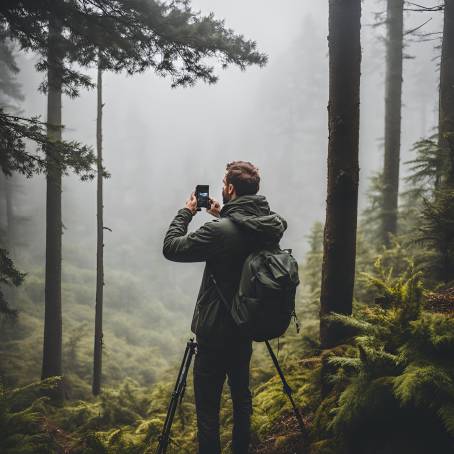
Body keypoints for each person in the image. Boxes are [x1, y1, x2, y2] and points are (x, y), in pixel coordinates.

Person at [162, 161, 288, 454]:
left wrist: (188, 211)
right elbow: (246, 227)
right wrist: (225, 214)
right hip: (247, 326)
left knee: (208, 409)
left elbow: (171, 247)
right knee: (242, 401)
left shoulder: (218, 232)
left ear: (230, 188)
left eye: (223, 183)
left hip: (214, 332)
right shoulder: (270, 227)